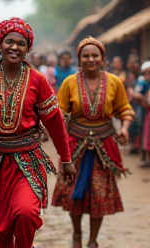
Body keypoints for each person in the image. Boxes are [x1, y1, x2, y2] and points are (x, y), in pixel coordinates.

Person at [0, 17, 76, 248]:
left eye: (21, 43)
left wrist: (66, 158)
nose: (14, 47)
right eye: (9, 41)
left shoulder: (37, 81)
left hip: (27, 160)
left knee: (26, 214)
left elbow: (55, 122)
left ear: (27, 48)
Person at [52, 36, 134, 248]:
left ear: (102, 58)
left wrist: (124, 128)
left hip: (103, 146)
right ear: (79, 59)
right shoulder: (69, 82)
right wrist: (55, 124)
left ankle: (92, 240)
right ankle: (77, 234)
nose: (90, 59)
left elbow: (124, 109)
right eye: (85, 56)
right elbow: (60, 110)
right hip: (75, 146)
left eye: (95, 55)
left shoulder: (115, 82)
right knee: (73, 194)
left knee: (99, 194)